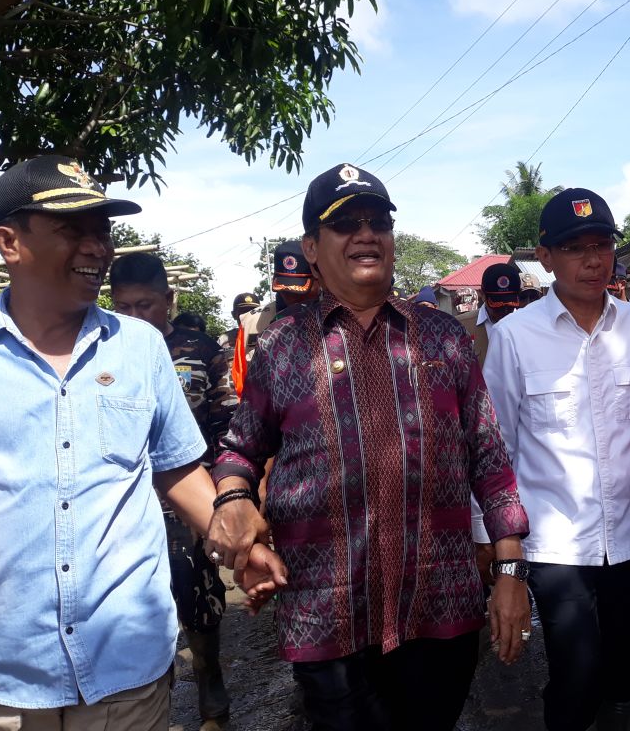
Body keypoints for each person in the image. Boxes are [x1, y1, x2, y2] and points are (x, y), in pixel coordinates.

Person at [0, 155, 284, 730]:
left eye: (102, 230)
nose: (96, 247)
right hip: (6, 671)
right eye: (72, 229)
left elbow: (175, 469)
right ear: (9, 242)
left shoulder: (139, 349)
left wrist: (237, 540)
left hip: (127, 665)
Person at [205, 163, 531, 731]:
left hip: (441, 604)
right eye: (344, 224)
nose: (365, 233)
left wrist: (509, 570)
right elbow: (239, 449)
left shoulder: (442, 337)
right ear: (312, 247)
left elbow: (490, 459)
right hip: (325, 612)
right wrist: (232, 498)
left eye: (377, 221)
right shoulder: (282, 347)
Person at [483, 188, 630, 731]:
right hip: (556, 540)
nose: (592, 260)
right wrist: (496, 551)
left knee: (622, 670)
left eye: (602, 245)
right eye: (574, 248)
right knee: (575, 670)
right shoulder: (516, 337)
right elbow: (496, 448)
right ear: (546, 257)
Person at [109, 251, 239, 727]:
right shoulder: (100, 349)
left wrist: (227, 500)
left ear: (168, 299)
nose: (135, 317)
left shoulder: (201, 351)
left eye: (145, 306)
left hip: (187, 499)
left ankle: (208, 677)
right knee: (136, 603)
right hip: (123, 505)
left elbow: (230, 427)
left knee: (198, 593)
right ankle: (150, 689)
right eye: (123, 307)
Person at [230, 239, 320, 394]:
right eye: (284, 291)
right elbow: (241, 381)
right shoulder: (251, 323)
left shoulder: (338, 316)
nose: (291, 298)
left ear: (318, 279)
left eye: (299, 291)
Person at [456, 263, 522, 366]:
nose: (504, 311)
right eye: (498, 306)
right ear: (482, 294)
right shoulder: (460, 326)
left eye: (509, 305)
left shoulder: (527, 326)